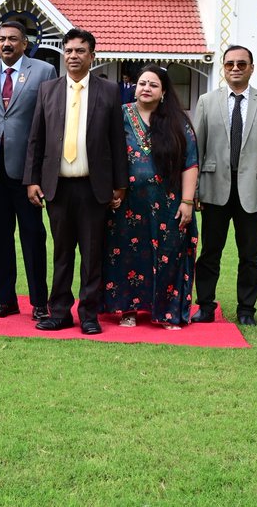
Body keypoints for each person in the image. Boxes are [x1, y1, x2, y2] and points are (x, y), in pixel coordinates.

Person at [24, 28, 127, 335]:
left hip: (94, 188)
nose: (73, 56)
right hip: (57, 187)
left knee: (92, 255)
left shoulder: (108, 91)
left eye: (80, 51)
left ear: (92, 56)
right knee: (62, 254)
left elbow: (117, 141)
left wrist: (120, 184)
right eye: (68, 51)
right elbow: (36, 138)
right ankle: (59, 313)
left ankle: (89, 314)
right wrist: (32, 180)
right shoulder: (48, 89)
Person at [102, 65, 199, 328]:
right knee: (127, 253)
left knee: (169, 254)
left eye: (153, 84)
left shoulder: (178, 122)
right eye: (142, 83)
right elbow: (105, 154)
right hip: (127, 204)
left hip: (168, 204)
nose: (146, 88)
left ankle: (167, 312)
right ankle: (128, 309)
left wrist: (187, 201)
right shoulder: (119, 115)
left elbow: (190, 163)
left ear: (164, 91)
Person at [0, 20, 56, 321]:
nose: (6, 44)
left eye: (13, 39)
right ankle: (5, 300)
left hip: (26, 173)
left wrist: (39, 173)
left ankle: (39, 302)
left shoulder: (44, 71)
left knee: (33, 238)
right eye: (2, 39)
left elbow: (49, 121)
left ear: (24, 43)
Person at [193, 45, 257, 326]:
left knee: (250, 256)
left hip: (253, 190)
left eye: (242, 64)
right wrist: (194, 190)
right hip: (214, 188)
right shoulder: (207, 101)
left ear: (252, 68)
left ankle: (246, 310)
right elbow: (197, 149)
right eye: (230, 64)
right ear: (223, 68)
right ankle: (205, 306)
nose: (235, 68)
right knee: (209, 253)